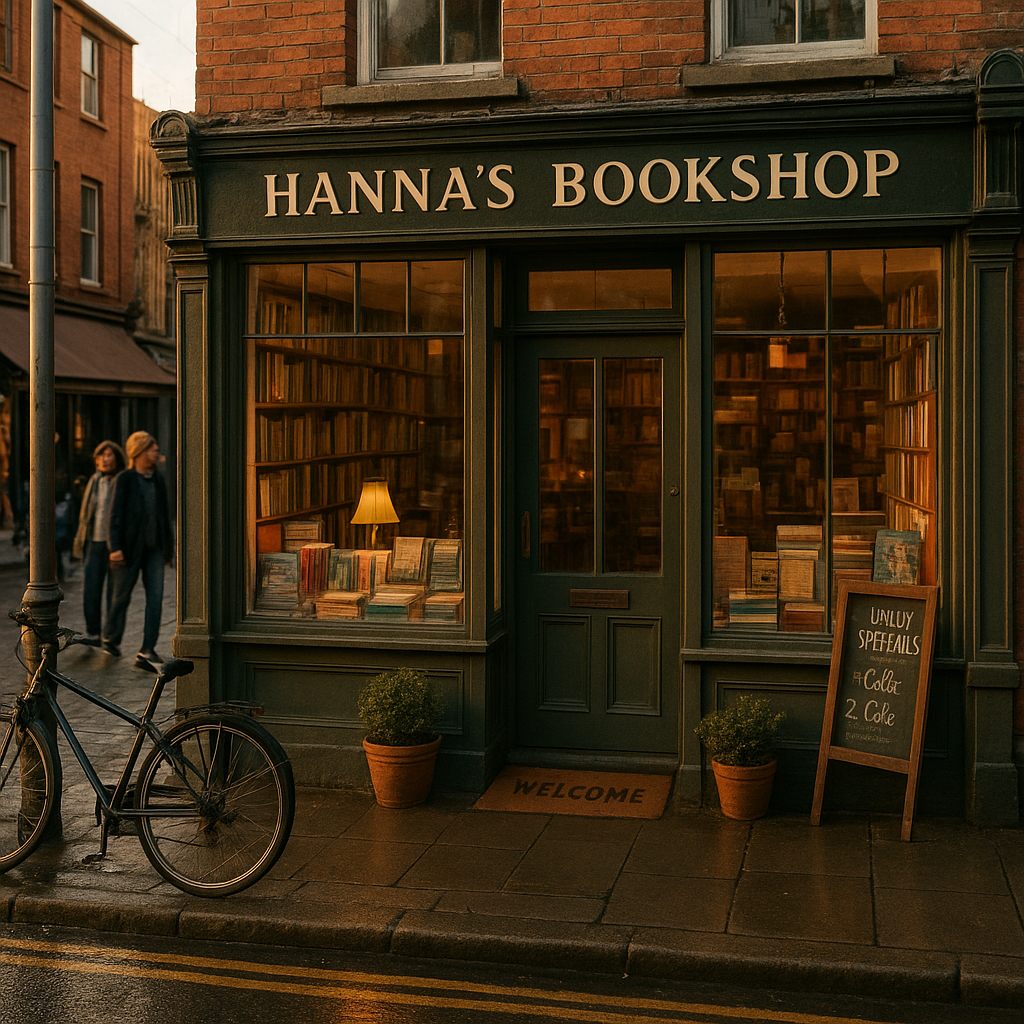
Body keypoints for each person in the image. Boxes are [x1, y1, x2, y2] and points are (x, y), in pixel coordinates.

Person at [104, 431, 174, 671]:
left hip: (154, 549)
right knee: (121, 597)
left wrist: (169, 549)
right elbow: (114, 515)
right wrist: (115, 547)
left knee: (155, 598)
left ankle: (147, 649)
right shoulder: (125, 479)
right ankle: (111, 640)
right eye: (153, 449)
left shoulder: (158, 480)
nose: (157, 452)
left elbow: (165, 516)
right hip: (129, 550)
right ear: (140, 452)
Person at [72, 440, 126, 644]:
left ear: (117, 458)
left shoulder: (123, 481)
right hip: (94, 542)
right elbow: (85, 515)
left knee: (115, 593)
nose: (105, 458)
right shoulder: (94, 481)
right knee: (91, 589)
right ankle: (93, 632)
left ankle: (111, 635)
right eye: (101, 455)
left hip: (115, 545)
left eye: (109, 454)